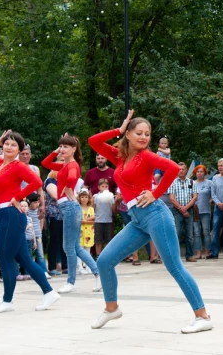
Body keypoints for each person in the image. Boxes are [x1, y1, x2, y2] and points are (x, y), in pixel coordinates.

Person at [88, 110, 213, 333]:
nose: (144, 137)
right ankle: (111, 308)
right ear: (128, 134)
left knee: (173, 266)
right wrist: (119, 128)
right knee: (104, 261)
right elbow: (93, 141)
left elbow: (173, 168)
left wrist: (155, 194)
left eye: (147, 134)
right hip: (137, 219)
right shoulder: (119, 156)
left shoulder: (146, 156)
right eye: (139, 133)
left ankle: (202, 316)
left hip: (155, 214)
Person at [0, 130, 60, 313]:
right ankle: (49, 292)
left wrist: (18, 196)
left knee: (5, 258)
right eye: (6, 143)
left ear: (20, 149)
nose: (9, 147)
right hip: (1, 215)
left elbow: (36, 181)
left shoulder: (18, 166)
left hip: (12, 214)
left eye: (13, 145)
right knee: (24, 259)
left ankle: (7, 301)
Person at [42, 134, 101, 294]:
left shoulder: (72, 165)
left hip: (69, 207)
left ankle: (71, 282)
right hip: (68, 208)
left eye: (66, 147)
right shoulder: (64, 165)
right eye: (61, 146)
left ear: (74, 149)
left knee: (69, 246)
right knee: (75, 247)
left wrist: (68, 187)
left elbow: (74, 176)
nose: (62, 149)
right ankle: (97, 274)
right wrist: (56, 151)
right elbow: (45, 163)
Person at [168, 162, 198, 262]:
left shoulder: (192, 182)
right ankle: (175, 257)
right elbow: (171, 199)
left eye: (183, 169)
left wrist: (186, 208)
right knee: (176, 233)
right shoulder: (172, 182)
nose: (181, 171)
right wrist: (181, 208)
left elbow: (195, 197)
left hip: (189, 210)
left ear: (186, 170)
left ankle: (189, 255)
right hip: (176, 211)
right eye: (179, 169)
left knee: (190, 235)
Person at [44, 171, 65, 275]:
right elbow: (55, 196)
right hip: (54, 214)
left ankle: (65, 266)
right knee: (54, 240)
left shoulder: (64, 181)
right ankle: (52, 267)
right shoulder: (50, 181)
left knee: (64, 240)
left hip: (65, 214)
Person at [25, 193, 49, 278]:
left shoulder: (39, 211)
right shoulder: (27, 212)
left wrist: (40, 230)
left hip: (38, 235)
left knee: (40, 254)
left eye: (38, 202)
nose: (37, 204)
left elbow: (41, 220)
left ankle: (44, 271)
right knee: (29, 254)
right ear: (29, 203)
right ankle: (29, 272)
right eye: (35, 202)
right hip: (29, 236)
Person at [19, 144, 46, 218]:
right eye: (22, 154)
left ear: (30, 155)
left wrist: (42, 205)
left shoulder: (35, 169)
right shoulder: (16, 168)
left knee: (35, 226)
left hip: (34, 202)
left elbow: (39, 189)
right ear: (19, 155)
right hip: (21, 203)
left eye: (27, 154)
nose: (25, 156)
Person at [192, 165, 212, 259]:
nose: (200, 173)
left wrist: (211, 200)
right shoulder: (192, 183)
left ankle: (208, 251)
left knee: (206, 231)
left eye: (201, 172)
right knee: (196, 232)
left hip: (205, 210)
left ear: (205, 173)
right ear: (195, 173)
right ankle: (198, 253)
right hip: (195, 210)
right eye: (198, 172)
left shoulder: (209, 183)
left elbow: (214, 194)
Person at [92, 179, 114, 259]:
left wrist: (116, 201)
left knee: (108, 240)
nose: (104, 188)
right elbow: (93, 208)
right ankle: (98, 255)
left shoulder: (110, 196)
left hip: (108, 220)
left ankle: (106, 255)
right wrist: (92, 202)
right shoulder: (95, 197)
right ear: (98, 187)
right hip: (98, 220)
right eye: (102, 186)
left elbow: (113, 208)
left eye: (106, 186)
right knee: (98, 239)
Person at [78, 188, 95, 274]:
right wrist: (84, 221)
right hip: (80, 232)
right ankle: (80, 267)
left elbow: (94, 220)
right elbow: (79, 220)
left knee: (87, 250)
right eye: (82, 197)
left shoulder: (91, 209)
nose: (84, 199)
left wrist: (85, 220)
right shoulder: (78, 208)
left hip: (89, 232)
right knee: (80, 249)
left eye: (85, 197)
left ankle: (88, 266)